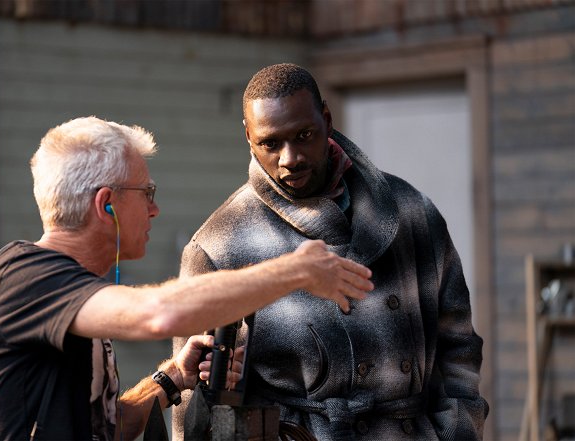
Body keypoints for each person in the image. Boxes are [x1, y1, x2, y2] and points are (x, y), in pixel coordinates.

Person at [0, 116, 374, 441]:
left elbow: (108, 426)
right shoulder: (21, 278)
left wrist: (173, 376)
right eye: (147, 194)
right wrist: (294, 269)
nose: (154, 210)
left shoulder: (66, 291)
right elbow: (160, 313)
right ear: (107, 206)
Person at [173, 64, 489, 440]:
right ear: (248, 137)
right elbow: (195, 408)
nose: (290, 158)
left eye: (303, 135)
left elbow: (459, 344)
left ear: (326, 118)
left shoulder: (411, 212)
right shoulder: (219, 246)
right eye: (271, 143)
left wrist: (457, 432)